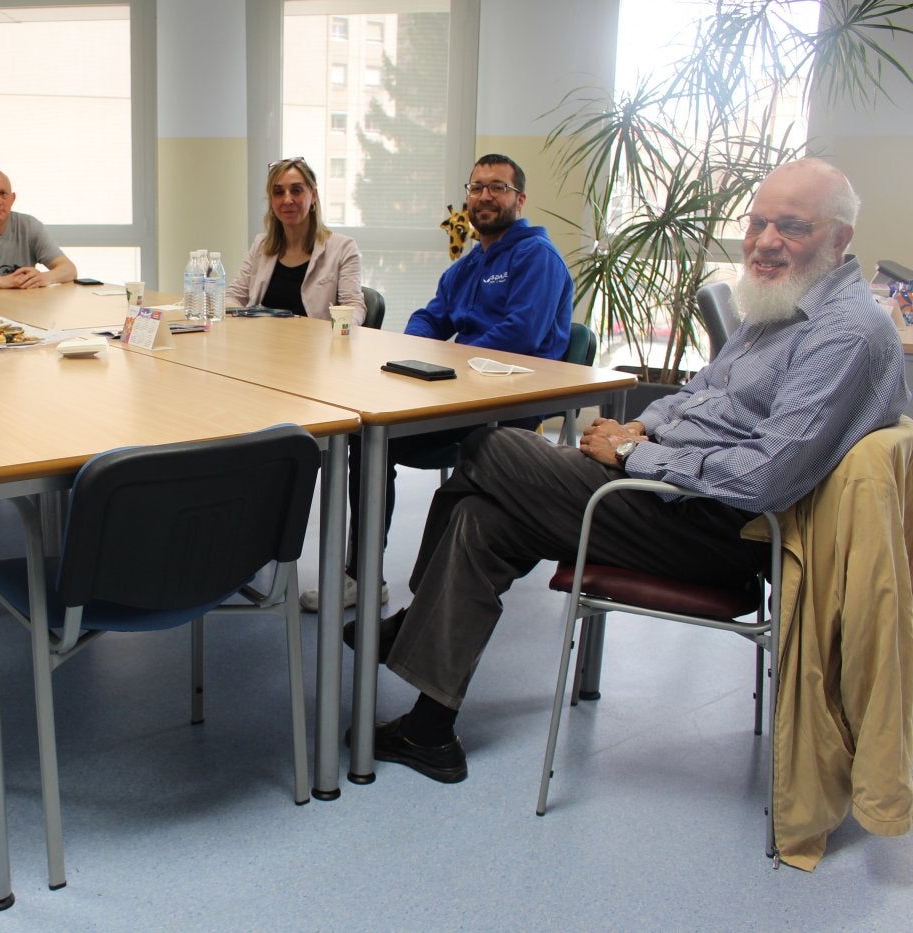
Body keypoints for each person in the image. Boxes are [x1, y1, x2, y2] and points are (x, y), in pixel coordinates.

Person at [358, 158, 908, 785]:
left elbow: (768, 478)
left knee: (487, 449)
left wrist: (630, 455)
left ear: (840, 239)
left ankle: (411, 622)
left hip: (718, 528)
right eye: (757, 223)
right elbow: (698, 392)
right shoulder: (779, 310)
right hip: (672, 497)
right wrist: (640, 426)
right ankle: (430, 732)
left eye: (792, 226)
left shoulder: (844, 334)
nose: (765, 240)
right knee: (483, 520)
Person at [301, 153, 573, 611]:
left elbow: (519, 335)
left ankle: (420, 591)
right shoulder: (471, 263)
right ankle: (362, 577)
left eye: (497, 187)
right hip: (462, 392)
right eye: (476, 187)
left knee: (374, 441)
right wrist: (416, 350)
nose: (484, 196)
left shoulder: (536, 257)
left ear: (520, 199)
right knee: (368, 440)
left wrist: (447, 359)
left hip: (509, 403)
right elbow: (432, 315)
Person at [227, 157, 365, 322]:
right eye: (278, 192)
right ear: (271, 201)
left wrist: (338, 333)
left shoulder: (343, 248)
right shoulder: (261, 245)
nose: (287, 200)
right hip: (262, 341)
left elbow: (354, 306)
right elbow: (234, 296)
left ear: (313, 196)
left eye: (296, 190)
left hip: (315, 344)